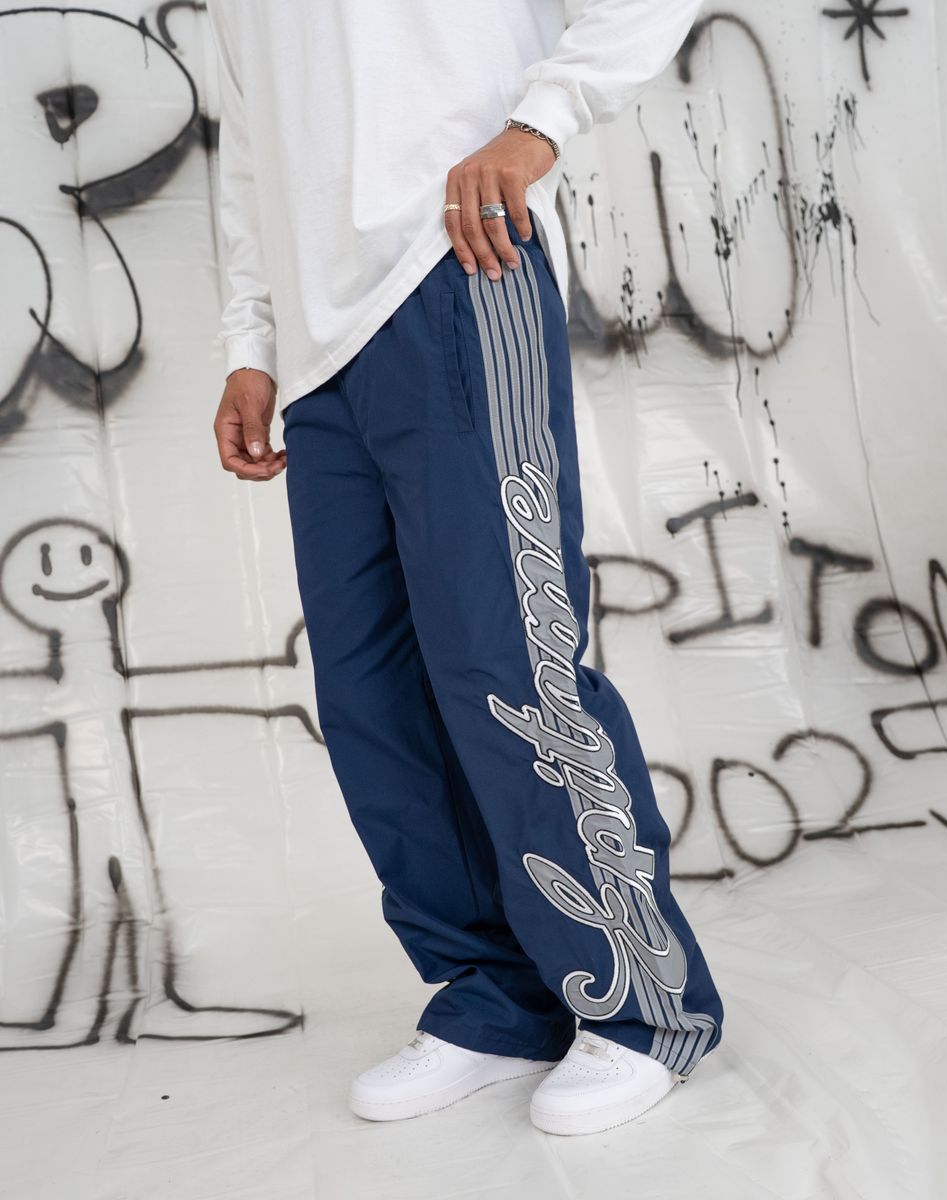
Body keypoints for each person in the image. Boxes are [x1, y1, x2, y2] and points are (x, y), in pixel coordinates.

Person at [207, 0, 723, 1137]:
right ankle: (497, 998)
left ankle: (641, 1007)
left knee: (510, 665)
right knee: (370, 696)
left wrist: (539, 123)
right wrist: (251, 340)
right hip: (317, 344)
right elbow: (251, 142)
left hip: (454, 267)